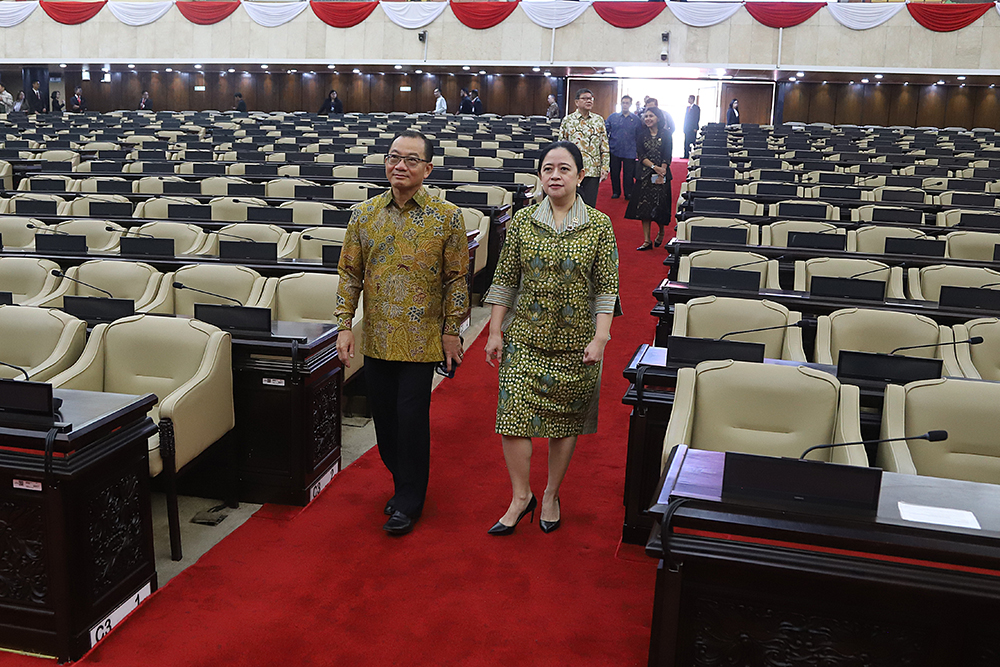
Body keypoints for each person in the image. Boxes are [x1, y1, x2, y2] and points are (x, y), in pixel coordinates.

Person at [334, 130, 469, 537]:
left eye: (411, 160)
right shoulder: (364, 214)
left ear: (427, 168)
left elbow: (456, 279)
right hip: (377, 336)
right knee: (386, 424)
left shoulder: (447, 217)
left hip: (422, 338)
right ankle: (404, 482)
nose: (400, 166)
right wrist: (343, 324)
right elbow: (349, 273)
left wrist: (452, 332)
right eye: (394, 157)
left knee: (411, 420)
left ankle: (410, 499)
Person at [483, 140, 620, 536]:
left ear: (580, 175)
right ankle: (520, 496)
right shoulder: (524, 222)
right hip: (524, 336)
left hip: (576, 344)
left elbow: (607, 286)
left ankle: (551, 494)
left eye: (563, 169)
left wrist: (601, 338)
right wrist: (494, 331)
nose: (555, 176)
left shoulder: (599, 225)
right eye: (547, 169)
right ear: (539, 176)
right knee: (513, 420)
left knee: (563, 424)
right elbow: (505, 278)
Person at [624, 107, 673, 251]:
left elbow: (667, 154)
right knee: (644, 207)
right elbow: (641, 155)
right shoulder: (641, 134)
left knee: (660, 205)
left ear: (658, 117)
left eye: (651, 116)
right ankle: (647, 240)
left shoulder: (666, 134)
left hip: (662, 174)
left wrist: (662, 169)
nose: (648, 119)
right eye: (646, 116)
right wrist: (654, 167)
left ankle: (661, 230)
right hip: (644, 174)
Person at [558, 88, 609, 208]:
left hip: (593, 169)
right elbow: (560, 146)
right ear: (577, 102)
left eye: (590, 99)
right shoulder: (568, 120)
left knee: (589, 205)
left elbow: (604, 146)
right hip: (572, 170)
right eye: (585, 98)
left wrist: (605, 167)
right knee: (571, 204)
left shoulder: (598, 120)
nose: (589, 101)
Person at [605, 94, 640, 200]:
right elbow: (605, 132)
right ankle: (616, 192)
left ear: (630, 105)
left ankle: (628, 193)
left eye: (627, 103)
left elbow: (639, 135)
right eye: (623, 103)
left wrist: (639, 151)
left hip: (630, 150)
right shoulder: (612, 117)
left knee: (628, 174)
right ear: (621, 104)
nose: (625, 105)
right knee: (614, 173)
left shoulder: (636, 119)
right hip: (614, 149)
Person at [683, 95, 700, 159]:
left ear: (692, 99)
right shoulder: (688, 108)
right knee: (686, 142)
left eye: (689, 99)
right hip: (687, 127)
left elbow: (697, 118)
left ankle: (693, 155)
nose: (688, 100)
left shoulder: (696, 108)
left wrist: (695, 127)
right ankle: (686, 155)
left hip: (693, 128)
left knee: (692, 141)